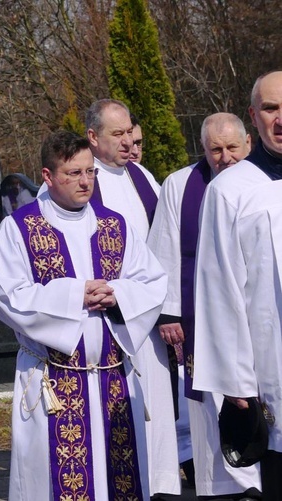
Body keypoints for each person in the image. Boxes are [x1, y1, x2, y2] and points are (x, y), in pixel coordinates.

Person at [0, 130, 167, 501]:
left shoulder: (115, 225)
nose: (85, 181)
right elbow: (9, 295)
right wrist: (76, 296)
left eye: (90, 172)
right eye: (73, 173)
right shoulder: (19, 228)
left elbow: (151, 282)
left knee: (120, 480)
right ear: (48, 176)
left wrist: (117, 295)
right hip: (54, 381)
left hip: (112, 379)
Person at [148, 112, 261, 499]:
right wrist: (169, 311)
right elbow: (163, 247)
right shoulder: (181, 185)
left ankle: (262, 476)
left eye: (232, 147)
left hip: (258, 308)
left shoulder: (265, 182)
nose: (225, 157)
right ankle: (225, 482)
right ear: (204, 149)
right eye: (216, 149)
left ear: (248, 143)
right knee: (211, 396)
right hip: (204, 313)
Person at [84, 99, 180, 497]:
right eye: (117, 135)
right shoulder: (79, 179)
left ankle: (159, 482)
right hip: (105, 316)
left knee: (155, 401)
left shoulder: (142, 176)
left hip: (148, 311)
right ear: (93, 137)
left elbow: (166, 243)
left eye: (129, 134)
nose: (128, 143)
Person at [193, 70, 282, 501]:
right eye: (271, 108)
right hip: (273, 370)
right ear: (254, 116)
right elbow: (218, 290)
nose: (281, 118)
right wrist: (236, 382)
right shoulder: (231, 190)